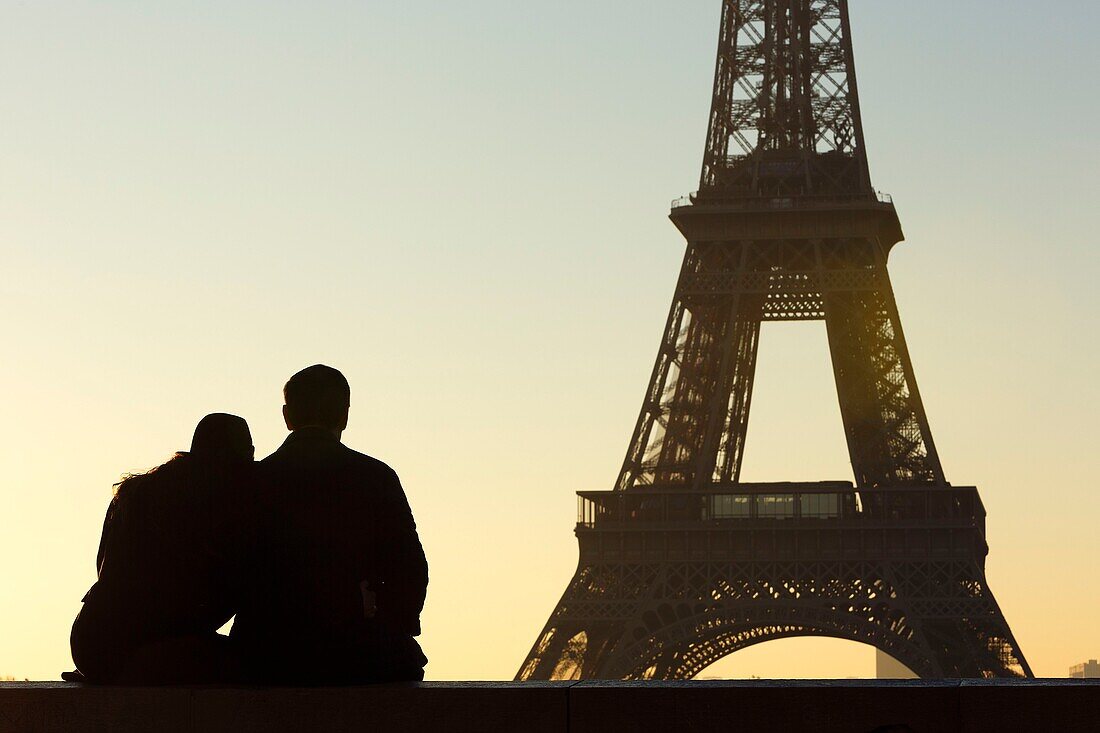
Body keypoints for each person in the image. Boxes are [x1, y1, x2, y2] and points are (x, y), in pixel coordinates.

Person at [231, 365, 429, 683]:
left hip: (266, 651)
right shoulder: (375, 477)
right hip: (352, 648)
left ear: (287, 416)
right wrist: (392, 628)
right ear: (344, 415)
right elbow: (408, 566)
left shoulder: (251, 482)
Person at [70, 413, 254, 684]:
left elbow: (103, 567)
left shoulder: (137, 491)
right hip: (149, 648)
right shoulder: (223, 502)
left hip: (89, 642)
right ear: (246, 455)